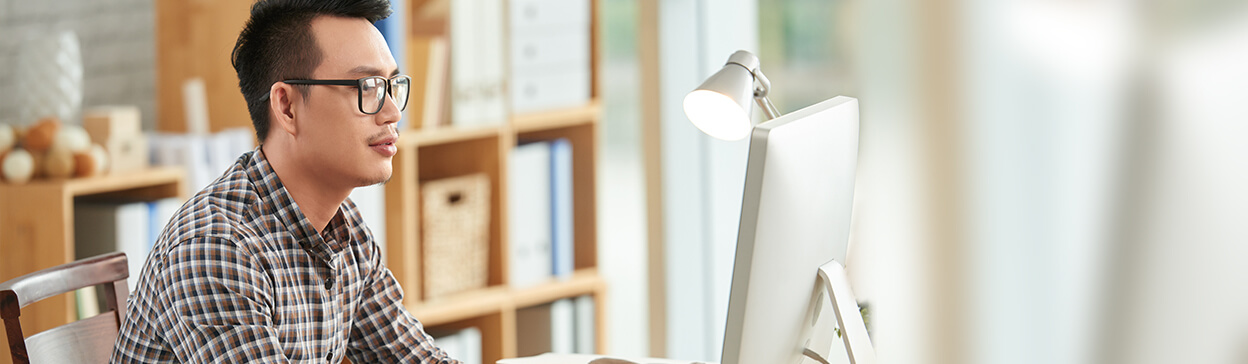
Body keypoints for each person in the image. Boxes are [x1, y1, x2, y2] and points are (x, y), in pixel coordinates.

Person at [111, 0, 459, 362]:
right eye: (366, 87)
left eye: (391, 85)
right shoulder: (216, 249)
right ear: (287, 107)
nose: (392, 112)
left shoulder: (345, 230)